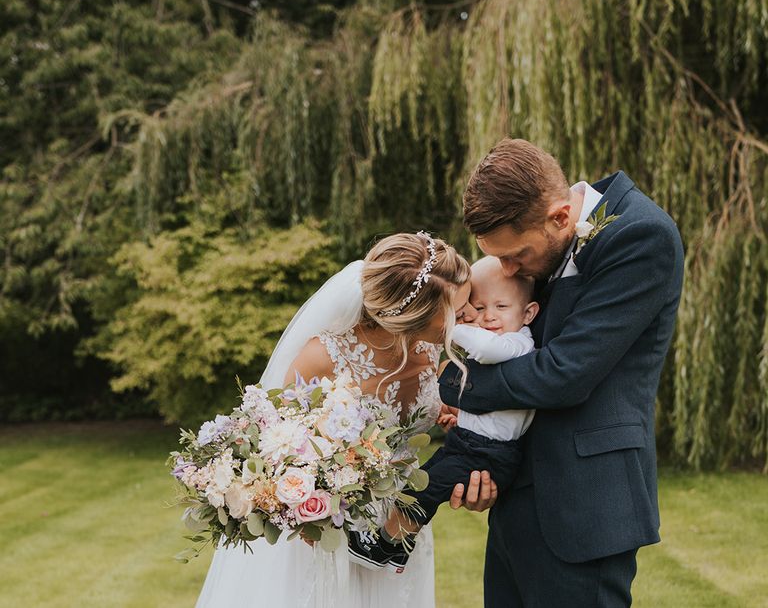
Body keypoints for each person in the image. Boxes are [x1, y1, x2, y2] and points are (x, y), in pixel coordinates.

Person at [439, 138, 685, 608]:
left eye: (515, 256)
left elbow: (565, 372)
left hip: (585, 504)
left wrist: (455, 384)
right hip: (514, 494)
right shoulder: (548, 239)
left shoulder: (640, 235)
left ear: (559, 217)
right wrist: (484, 460)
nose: (506, 270)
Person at [196, 231, 471, 608]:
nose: (468, 314)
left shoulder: (436, 352)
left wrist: (445, 413)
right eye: (457, 308)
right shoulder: (321, 357)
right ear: (411, 316)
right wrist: (308, 503)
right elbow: (274, 450)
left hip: (401, 525)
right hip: (329, 531)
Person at [347, 256, 539, 572]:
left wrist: (454, 326)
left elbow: (486, 349)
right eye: (478, 308)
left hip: (489, 455)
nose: (487, 317)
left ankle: (385, 545)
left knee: (428, 487)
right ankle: (397, 545)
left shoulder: (517, 344)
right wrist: (462, 416)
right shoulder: (502, 336)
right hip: (469, 441)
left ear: (529, 312)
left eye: (500, 307)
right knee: (422, 481)